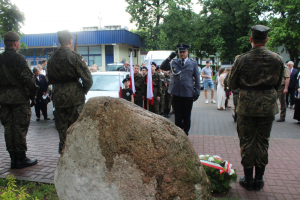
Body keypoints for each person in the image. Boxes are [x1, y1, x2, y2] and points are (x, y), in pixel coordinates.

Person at [228, 25, 284, 192]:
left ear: (251, 39)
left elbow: (232, 83)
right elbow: (279, 82)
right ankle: (259, 179)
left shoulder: (242, 59)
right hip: (267, 105)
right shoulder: (277, 59)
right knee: (262, 141)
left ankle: (248, 178)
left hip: (246, 106)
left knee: (246, 141)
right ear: (267, 39)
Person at [47, 30, 93, 154]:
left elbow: (49, 78)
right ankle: (76, 155)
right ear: (70, 41)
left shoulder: (51, 58)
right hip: (75, 97)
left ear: (59, 41)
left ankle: (63, 154)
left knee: (62, 129)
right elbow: (88, 79)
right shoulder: (75, 56)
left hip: (58, 96)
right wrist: (83, 90)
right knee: (77, 127)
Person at [0, 31, 39, 169]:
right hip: (19, 99)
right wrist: (33, 93)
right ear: (16, 43)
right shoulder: (19, 59)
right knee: (20, 128)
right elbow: (29, 80)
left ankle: (13, 159)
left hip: (3, 100)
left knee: (8, 128)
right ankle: (21, 158)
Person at [160, 43, 201, 135]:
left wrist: (197, 92)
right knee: (178, 115)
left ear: (187, 52)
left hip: (188, 93)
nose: (182, 53)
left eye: (183, 52)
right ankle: (179, 134)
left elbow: (197, 79)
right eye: (180, 52)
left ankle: (185, 132)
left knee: (186, 115)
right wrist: (170, 57)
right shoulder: (173, 62)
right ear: (178, 52)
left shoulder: (193, 64)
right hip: (176, 93)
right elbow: (162, 67)